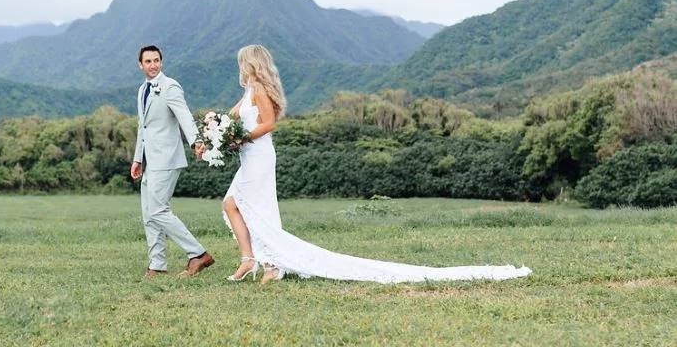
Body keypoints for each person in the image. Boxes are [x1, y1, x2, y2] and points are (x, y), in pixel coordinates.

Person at [212, 44, 532, 285]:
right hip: (248, 156)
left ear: (250, 63)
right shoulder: (248, 92)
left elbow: (268, 124)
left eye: (242, 62)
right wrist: (218, 131)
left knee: (255, 208)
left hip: (259, 155)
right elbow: (231, 119)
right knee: (232, 204)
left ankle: (269, 263)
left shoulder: (261, 92)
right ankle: (251, 258)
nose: (240, 67)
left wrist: (241, 137)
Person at [131, 45, 214, 279]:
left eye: (156, 60)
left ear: (162, 62)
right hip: (150, 160)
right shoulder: (142, 90)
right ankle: (157, 266)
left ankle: (198, 254)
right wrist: (138, 158)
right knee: (149, 214)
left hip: (167, 158)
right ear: (140, 64)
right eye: (148, 61)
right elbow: (143, 127)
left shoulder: (170, 86)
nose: (153, 65)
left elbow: (184, 115)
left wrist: (196, 140)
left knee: (158, 210)